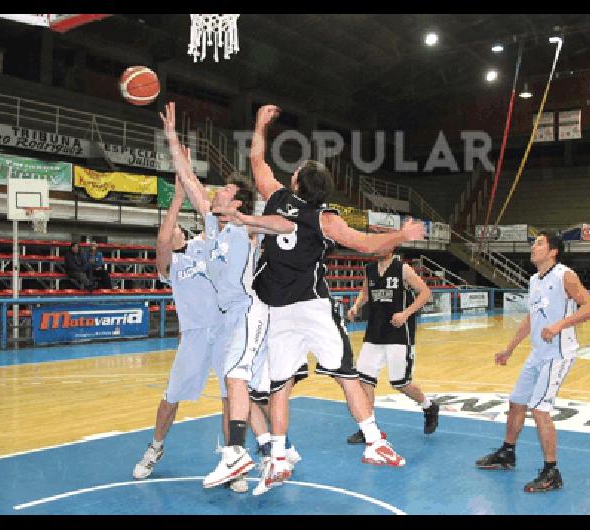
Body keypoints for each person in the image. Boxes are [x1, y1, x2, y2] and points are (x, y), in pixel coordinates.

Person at [239, 104, 425, 495]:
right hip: (312, 307)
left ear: (295, 180)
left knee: (280, 387)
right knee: (346, 375)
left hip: (277, 310)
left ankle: (275, 457)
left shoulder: (274, 197)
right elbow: (368, 244)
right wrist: (401, 237)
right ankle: (374, 442)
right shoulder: (326, 219)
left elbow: (256, 157)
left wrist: (259, 124)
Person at [159, 102, 301, 493]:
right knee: (244, 391)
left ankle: (238, 454)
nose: (216, 193)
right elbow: (188, 180)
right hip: (232, 319)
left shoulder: (245, 230)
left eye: (224, 191)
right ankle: (277, 451)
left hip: (250, 312)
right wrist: (172, 137)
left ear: (237, 204)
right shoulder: (213, 225)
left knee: (237, 381)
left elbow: (282, 223)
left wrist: (260, 128)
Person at [132, 175, 236, 487]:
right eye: (170, 228)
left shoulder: (210, 246)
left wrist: (189, 179)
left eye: (177, 226)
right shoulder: (174, 264)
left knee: (231, 397)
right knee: (171, 396)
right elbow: (162, 243)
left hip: (224, 331)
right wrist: (176, 199)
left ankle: (232, 460)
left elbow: (213, 214)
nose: (172, 231)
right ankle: (155, 447)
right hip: (194, 336)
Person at [475, 231, 590, 492]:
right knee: (517, 402)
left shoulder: (565, 275)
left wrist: (559, 325)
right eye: (534, 243)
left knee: (540, 409)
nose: (534, 246)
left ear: (553, 251)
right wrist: (509, 348)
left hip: (559, 353)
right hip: (538, 353)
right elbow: (532, 318)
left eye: (539, 243)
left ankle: (551, 471)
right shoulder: (534, 280)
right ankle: (507, 453)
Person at [345, 249, 439, 443]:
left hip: (398, 333)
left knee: (400, 383)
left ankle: (429, 406)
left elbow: (426, 293)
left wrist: (405, 313)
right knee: (365, 381)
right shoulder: (369, 269)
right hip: (374, 333)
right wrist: (356, 306)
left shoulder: (403, 269)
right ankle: (368, 428)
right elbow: (365, 292)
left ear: (391, 249)